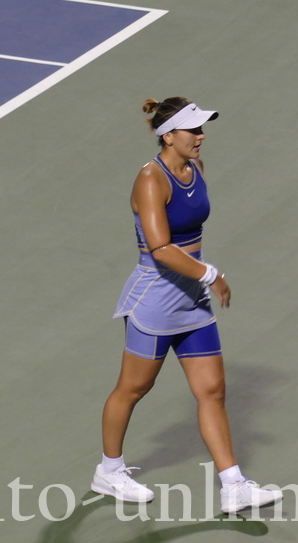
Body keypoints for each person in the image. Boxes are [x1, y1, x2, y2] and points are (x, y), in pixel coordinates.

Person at [90, 97, 282, 513]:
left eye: (201, 129)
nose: (201, 136)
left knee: (212, 390)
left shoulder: (194, 169)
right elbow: (159, 248)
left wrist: (199, 280)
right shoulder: (150, 180)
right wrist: (210, 275)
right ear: (168, 135)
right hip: (156, 298)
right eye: (193, 130)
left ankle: (234, 485)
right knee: (135, 387)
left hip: (190, 299)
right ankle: (109, 470)